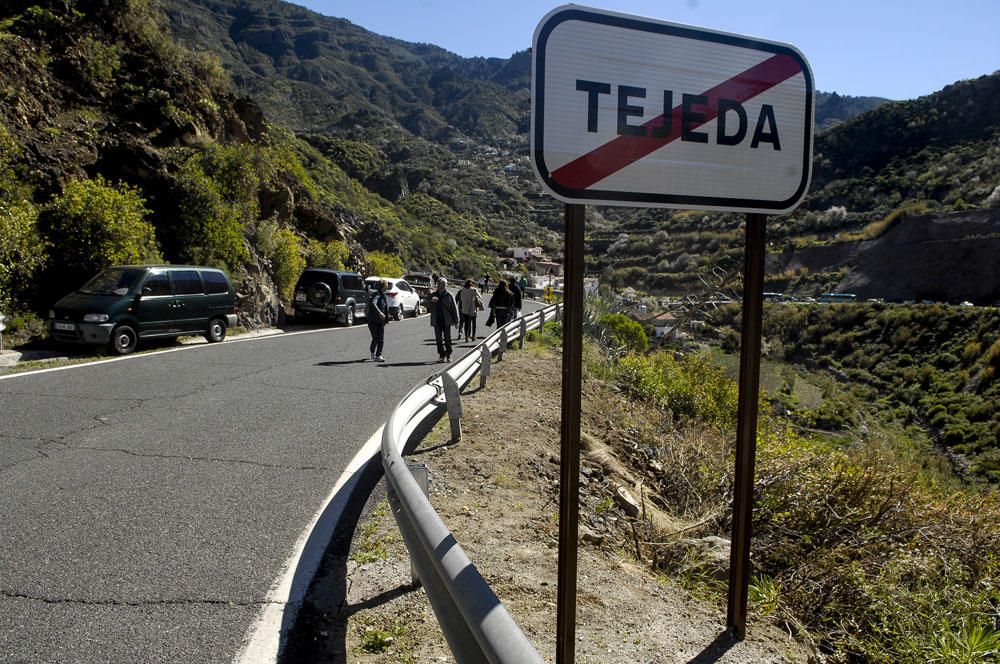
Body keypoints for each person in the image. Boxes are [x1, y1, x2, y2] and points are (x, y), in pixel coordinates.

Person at [429, 277, 459, 362]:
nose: (438, 285)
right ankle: (441, 355)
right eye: (438, 283)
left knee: (447, 339)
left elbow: (454, 308)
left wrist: (457, 321)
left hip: (447, 321)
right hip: (437, 320)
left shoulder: (449, 295)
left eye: (440, 284)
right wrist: (431, 301)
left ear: (444, 285)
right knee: (438, 339)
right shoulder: (433, 294)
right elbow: (427, 305)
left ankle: (449, 354)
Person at [366, 279, 389, 362]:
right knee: (375, 338)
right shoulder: (377, 294)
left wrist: (386, 319)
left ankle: (378, 355)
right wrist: (380, 313)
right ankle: (372, 351)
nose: (387, 288)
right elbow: (373, 303)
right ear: (381, 287)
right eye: (385, 286)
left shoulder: (383, 295)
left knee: (381, 339)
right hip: (373, 320)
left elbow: (385, 308)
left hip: (381, 321)